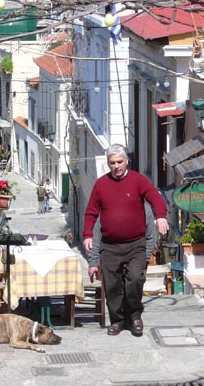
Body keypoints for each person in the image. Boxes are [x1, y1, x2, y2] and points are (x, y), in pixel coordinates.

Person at [83, 144, 169, 336]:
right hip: (110, 246)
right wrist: (87, 234)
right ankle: (118, 321)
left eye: (119, 162)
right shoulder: (101, 184)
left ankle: (134, 316)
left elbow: (155, 197)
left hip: (135, 244)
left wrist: (160, 216)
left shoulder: (138, 180)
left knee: (135, 280)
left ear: (126, 161)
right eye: (112, 163)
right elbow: (91, 212)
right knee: (112, 286)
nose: (116, 166)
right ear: (108, 164)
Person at [88, 203, 158, 282]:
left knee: (134, 283)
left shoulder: (144, 208)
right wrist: (93, 262)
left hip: (136, 255)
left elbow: (151, 237)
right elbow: (96, 236)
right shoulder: (106, 206)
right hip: (111, 254)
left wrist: (144, 258)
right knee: (113, 289)